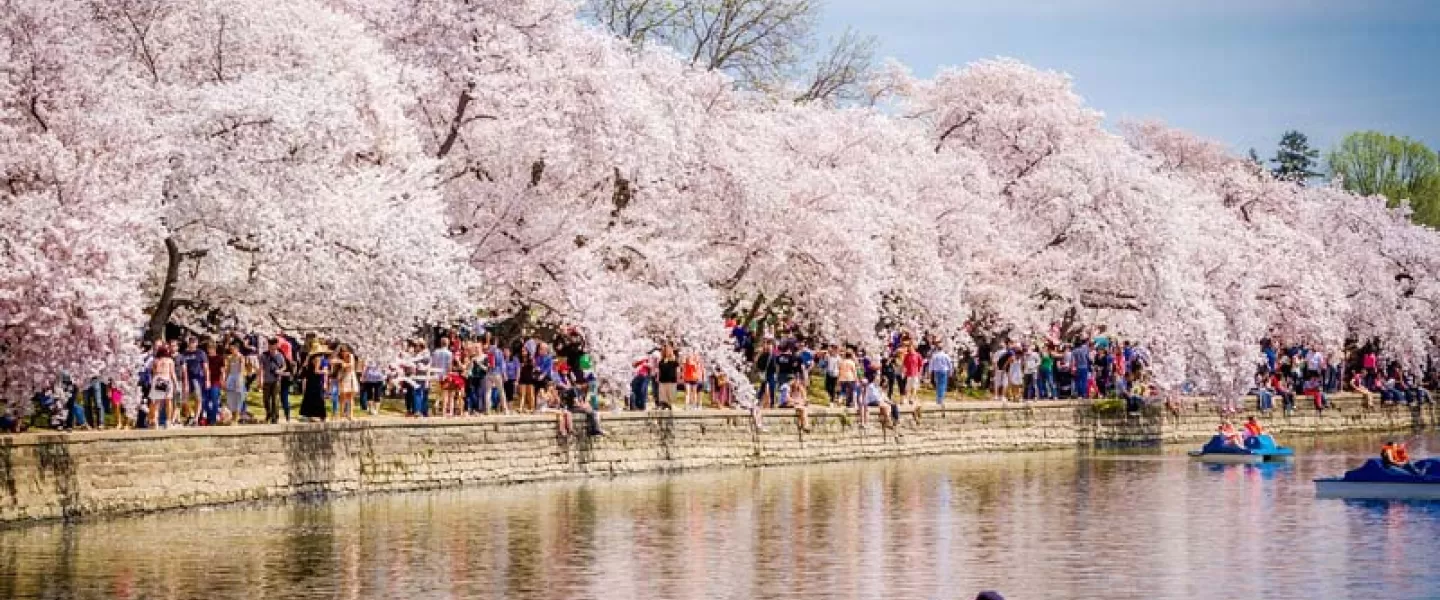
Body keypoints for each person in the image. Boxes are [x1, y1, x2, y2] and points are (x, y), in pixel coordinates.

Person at [149, 344, 178, 429]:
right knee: (168, 401)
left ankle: (155, 421)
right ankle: (168, 421)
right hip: (166, 379)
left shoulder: (155, 360)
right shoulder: (169, 360)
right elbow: (172, 373)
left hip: (158, 379)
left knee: (157, 403)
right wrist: (176, 384)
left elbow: (154, 373)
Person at [260, 339, 287, 424]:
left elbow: (284, 366)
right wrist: (260, 378)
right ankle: (269, 413)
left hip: (276, 380)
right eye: (270, 346)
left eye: (273, 346)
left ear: (276, 346)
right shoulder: (264, 355)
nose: (272, 348)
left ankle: (275, 417)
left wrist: (280, 370)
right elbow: (261, 367)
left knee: (275, 399)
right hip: (266, 380)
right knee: (266, 399)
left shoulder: (280, 355)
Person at [300, 346, 331, 422]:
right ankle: (321, 415)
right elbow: (316, 371)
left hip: (310, 380)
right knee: (319, 398)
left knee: (310, 397)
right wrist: (325, 371)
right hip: (316, 381)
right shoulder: (318, 358)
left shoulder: (310, 358)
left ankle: (308, 415)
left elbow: (304, 367)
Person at [222, 340, 248, 424]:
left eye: (233, 349)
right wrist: (225, 380)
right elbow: (228, 370)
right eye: (230, 349)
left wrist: (239, 380)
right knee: (230, 397)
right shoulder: (229, 358)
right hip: (231, 377)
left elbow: (242, 369)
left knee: (239, 397)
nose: (231, 350)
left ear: (237, 348)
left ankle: (237, 416)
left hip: (238, 377)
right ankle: (232, 416)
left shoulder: (241, 357)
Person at [335, 345, 359, 421]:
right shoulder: (339, 358)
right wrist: (341, 362)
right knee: (342, 396)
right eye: (342, 351)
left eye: (345, 351)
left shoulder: (351, 356)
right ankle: (341, 415)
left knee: (350, 397)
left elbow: (351, 366)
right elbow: (332, 360)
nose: (343, 353)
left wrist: (343, 364)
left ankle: (350, 415)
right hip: (343, 377)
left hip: (350, 377)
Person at [656, 345, 680, 410]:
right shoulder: (661, 360)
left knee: (671, 393)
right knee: (663, 394)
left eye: (668, 350)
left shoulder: (674, 360)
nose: (667, 352)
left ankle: (671, 405)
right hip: (663, 379)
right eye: (665, 351)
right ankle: (664, 405)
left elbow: (677, 369)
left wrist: (678, 377)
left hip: (671, 379)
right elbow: (659, 370)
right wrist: (658, 377)